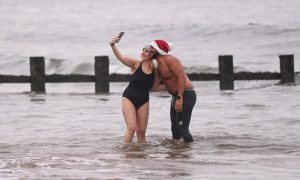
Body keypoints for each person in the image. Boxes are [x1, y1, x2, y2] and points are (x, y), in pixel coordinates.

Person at [109, 35, 162, 143]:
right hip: (129, 98)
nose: (143, 52)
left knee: (141, 132)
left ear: (152, 55)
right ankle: (126, 155)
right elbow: (121, 58)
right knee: (131, 129)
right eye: (143, 50)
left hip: (144, 100)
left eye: (147, 51)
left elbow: (155, 87)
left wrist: (175, 88)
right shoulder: (136, 64)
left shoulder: (155, 69)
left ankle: (141, 157)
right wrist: (113, 45)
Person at [149, 40, 197, 142]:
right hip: (175, 96)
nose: (150, 50)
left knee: (182, 128)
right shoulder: (157, 65)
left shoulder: (171, 60)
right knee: (175, 129)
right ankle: (177, 153)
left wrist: (180, 98)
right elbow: (155, 87)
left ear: (158, 49)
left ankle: (190, 152)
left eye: (152, 48)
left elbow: (181, 77)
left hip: (186, 94)